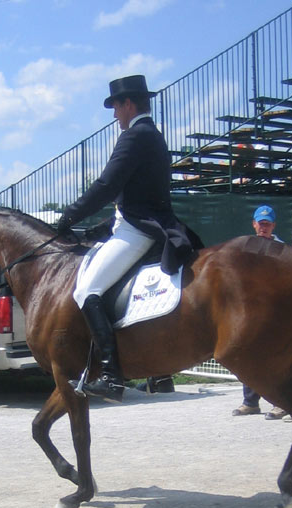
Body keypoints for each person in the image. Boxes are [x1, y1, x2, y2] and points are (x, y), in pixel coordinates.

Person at [56, 74, 199, 403]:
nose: (114, 115)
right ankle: (157, 375)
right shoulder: (151, 135)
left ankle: (111, 375)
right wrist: (100, 228)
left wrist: (70, 215)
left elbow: (107, 186)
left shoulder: (136, 136)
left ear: (128, 104)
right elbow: (134, 199)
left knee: (86, 289)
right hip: (135, 223)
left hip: (139, 230)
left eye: (116, 107)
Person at [231, 205, 288, 419]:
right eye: (260, 223)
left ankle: (280, 403)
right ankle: (250, 402)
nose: (263, 227)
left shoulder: (282, 249)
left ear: (273, 225)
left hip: (274, 311)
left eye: (267, 224)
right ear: (254, 224)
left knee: (274, 358)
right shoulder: (246, 247)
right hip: (250, 311)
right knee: (247, 355)